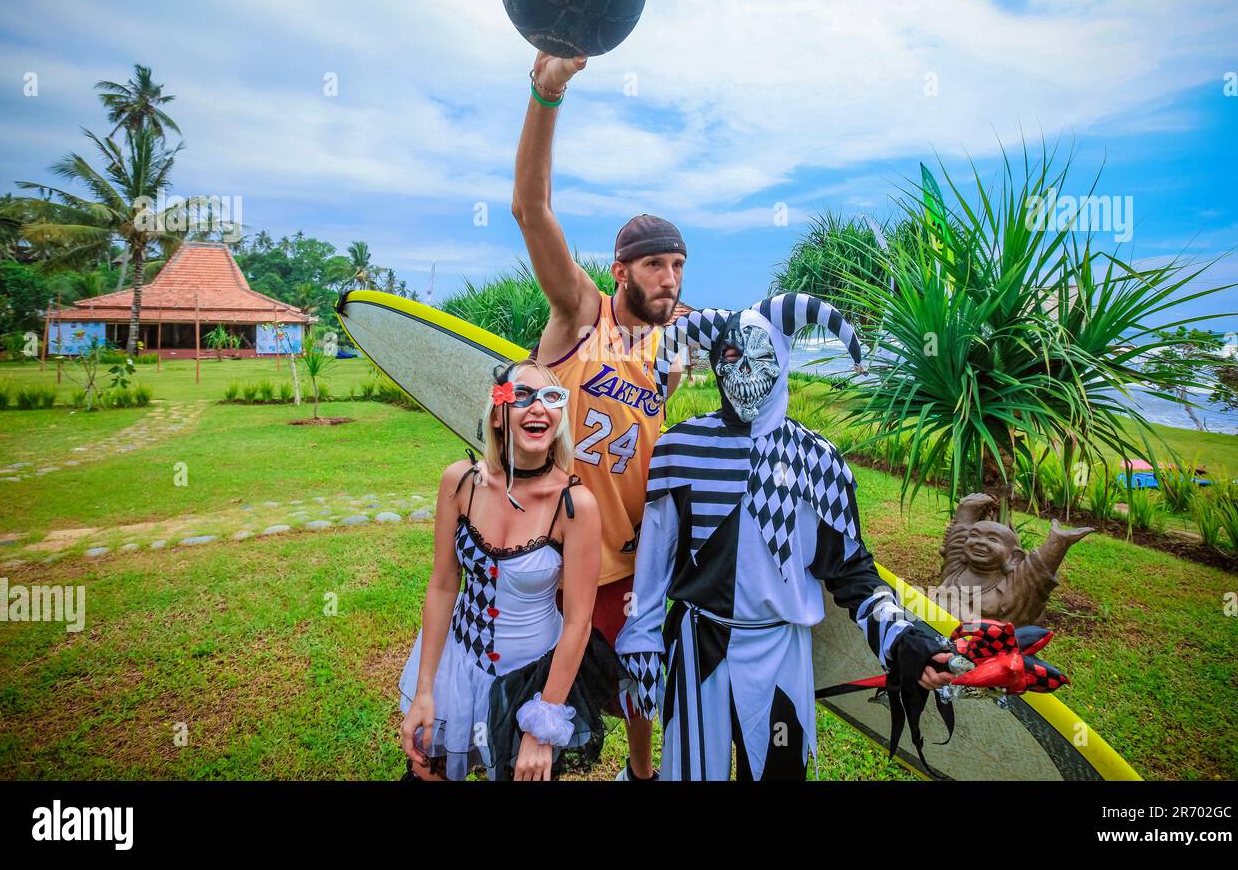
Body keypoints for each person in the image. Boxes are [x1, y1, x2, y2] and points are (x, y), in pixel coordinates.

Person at [616, 293, 958, 780]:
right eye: (731, 355)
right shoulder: (680, 448)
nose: (744, 368)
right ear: (715, 364)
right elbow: (654, 558)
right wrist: (643, 635)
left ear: (782, 355)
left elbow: (852, 571)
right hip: (697, 644)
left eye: (760, 353)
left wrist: (902, 637)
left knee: (779, 771)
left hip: (779, 651)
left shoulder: (818, 461)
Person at [511, 49, 689, 780]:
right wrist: (546, 94)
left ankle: (641, 776)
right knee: (530, 712)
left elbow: (640, 444)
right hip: (543, 560)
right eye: (656, 265)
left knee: (639, 690)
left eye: (678, 265)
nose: (670, 279)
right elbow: (531, 207)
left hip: (623, 565)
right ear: (621, 271)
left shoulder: (672, 354)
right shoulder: (580, 314)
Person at [398, 358, 622, 781]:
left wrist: (543, 724)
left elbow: (577, 623)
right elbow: (444, 585)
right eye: (522, 396)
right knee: (428, 771)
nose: (538, 408)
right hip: (458, 667)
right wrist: (425, 689)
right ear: (498, 414)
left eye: (551, 398)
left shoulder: (575, 506)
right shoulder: (460, 483)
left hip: (534, 683)